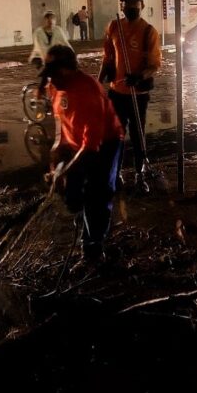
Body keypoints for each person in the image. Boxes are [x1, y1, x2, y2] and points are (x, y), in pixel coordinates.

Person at [42, 45, 124, 263]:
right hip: (76, 142)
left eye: (54, 74)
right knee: (73, 195)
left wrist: (65, 171)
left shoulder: (88, 92)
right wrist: (57, 152)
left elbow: (91, 147)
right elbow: (61, 121)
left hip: (106, 142)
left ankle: (94, 249)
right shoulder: (56, 86)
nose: (51, 80)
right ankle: (86, 219)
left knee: (98, 193)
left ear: (67, 70)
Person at [98, 0, 161, 194]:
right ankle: (114, 175)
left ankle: (139, 174)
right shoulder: (113, 27)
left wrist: (140, 76)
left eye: (134, 3)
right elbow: (107, 58)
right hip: (116, 93)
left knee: (137, 136)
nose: (130, 7)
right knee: (115, 138)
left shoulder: (149, 32)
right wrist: (99, 83)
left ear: (142, 5)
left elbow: (154, 65)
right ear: (122, 5)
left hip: (137, 95)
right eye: (127, 3)